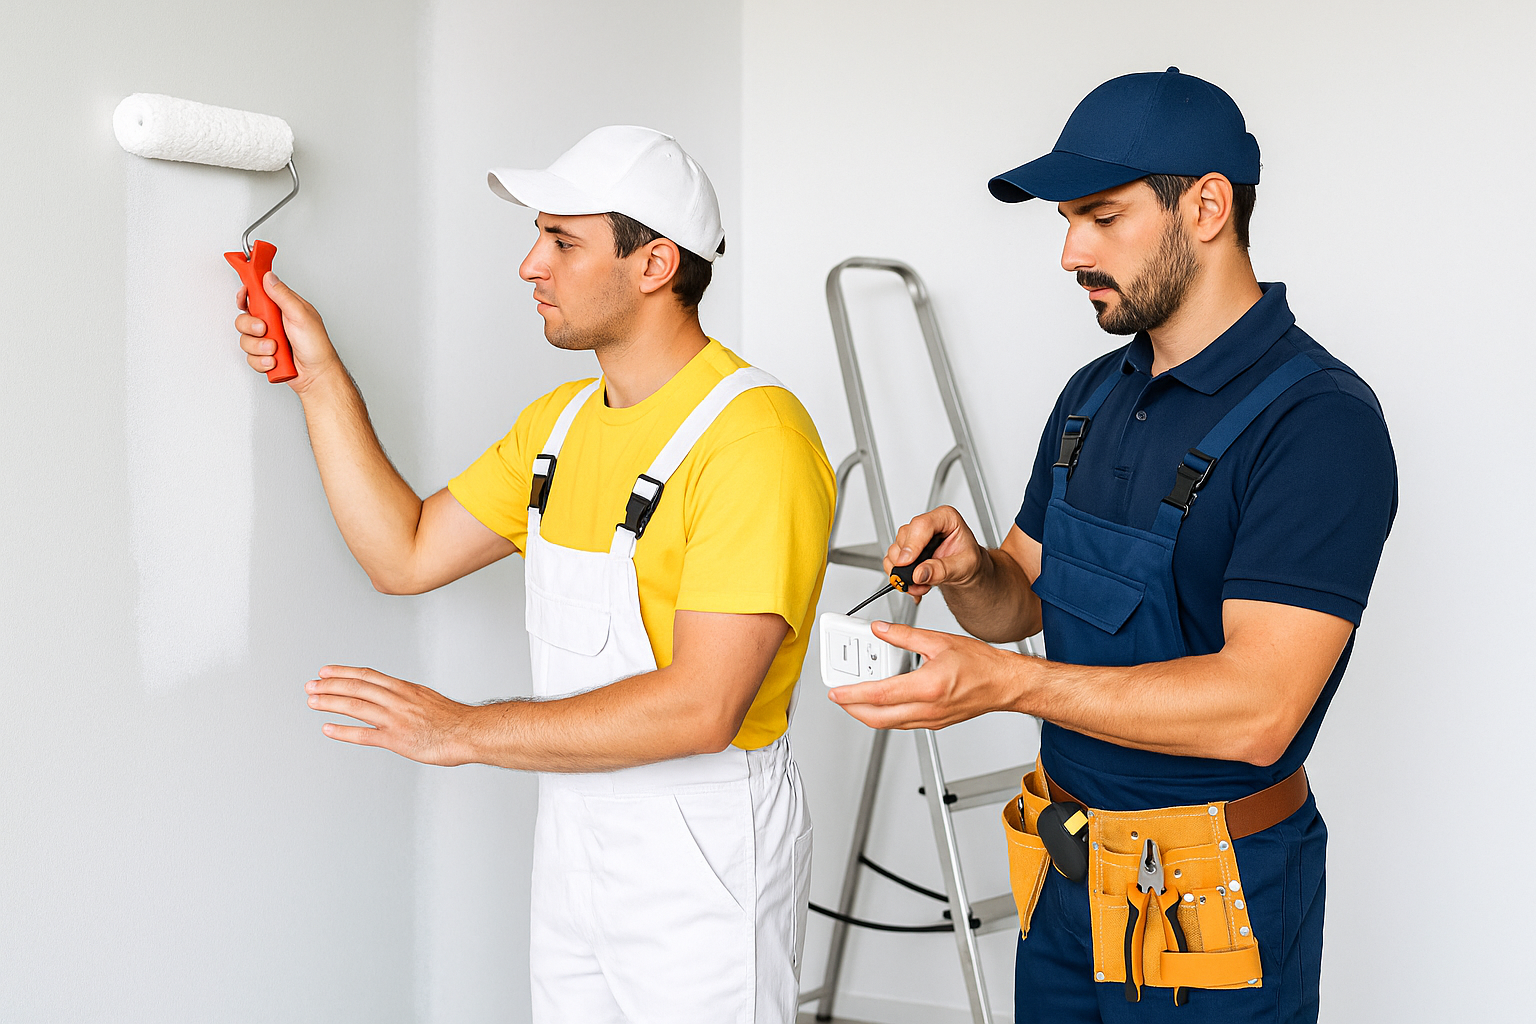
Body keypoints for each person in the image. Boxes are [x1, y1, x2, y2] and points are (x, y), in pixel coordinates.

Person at [827, 70, 1397, 1024]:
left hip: (1216, 901)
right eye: (1066, 221)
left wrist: (1005, 686)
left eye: (1101, 217)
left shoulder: (1317, 425)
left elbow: (1259, 710)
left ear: (1207, 206)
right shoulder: (1095, 393)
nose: (1067, 253)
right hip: (1069, 874)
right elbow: (1022, 602)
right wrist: (974, 568)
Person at [233, 125, 835, 1024]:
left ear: (655, 264)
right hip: (574, 833)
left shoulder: (755, 442)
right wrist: (318, 378)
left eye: (562, 241)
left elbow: (703, 706)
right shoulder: (558, 426)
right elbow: (402, 553)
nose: (529, 266)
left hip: (699, 850)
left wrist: (462, 730)